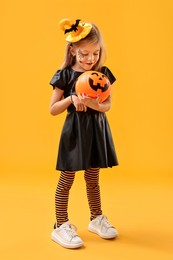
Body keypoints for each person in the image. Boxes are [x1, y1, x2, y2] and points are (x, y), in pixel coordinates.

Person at [49, 18, 119, 249]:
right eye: (85, 54)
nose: (91, 59)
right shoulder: (65, 75)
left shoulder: (103, 74)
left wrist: (94, 104)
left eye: (95, 53)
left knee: (92, 178)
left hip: (97, 131)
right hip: (75, 133)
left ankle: (96, 218)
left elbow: (107, 105)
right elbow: (52, 109)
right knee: (67, 179)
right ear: (73, 51)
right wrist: (71, 98)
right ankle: (60, 225)